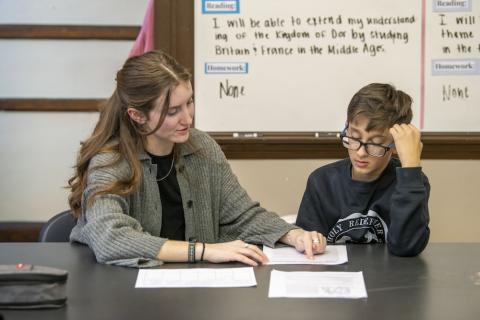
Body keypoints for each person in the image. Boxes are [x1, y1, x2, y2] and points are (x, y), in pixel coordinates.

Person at [68, 50, 325, 268]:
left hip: (195, 289)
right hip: (124, 291)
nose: (188, 119)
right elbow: (110, 238)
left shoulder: (201, 147)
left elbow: (241, 215)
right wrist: (203, 251)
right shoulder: (110, 161)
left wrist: (292, 234)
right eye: (173, 111)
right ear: (137, 115)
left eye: (189, 103)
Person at [296, 83, 430, 257]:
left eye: (374, 143)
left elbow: (406, 247)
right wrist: (309, 242)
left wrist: (411, 166)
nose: (360, 152)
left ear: (395, 144)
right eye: (355, 137)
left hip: (391, 281)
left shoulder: (411, 182)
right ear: (346, 127)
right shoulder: (322, 182)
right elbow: (307, 247)